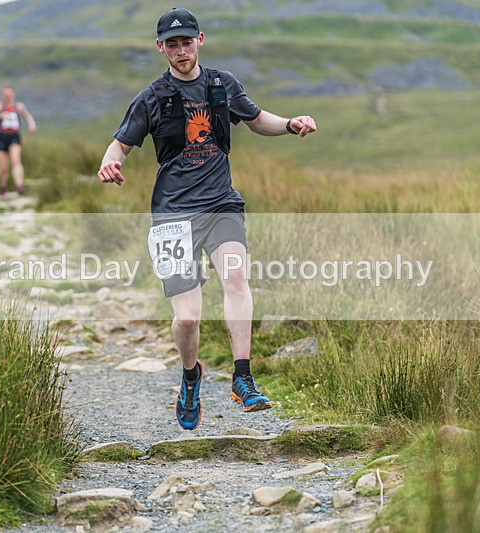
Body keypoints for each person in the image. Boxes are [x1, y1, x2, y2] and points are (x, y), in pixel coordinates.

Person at [97, 7, 316, 431]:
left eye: (187, 41)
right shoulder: (152, 97)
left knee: (236, 280)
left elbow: (257, 121)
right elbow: (120, 145)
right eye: (172, 44)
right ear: (161, 48)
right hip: (173, 216)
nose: (181, 51)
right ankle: (191, 376)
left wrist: (290, 124)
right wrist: (110, 164)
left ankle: (243, 377)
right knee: (188, 318)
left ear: (201, 40)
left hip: (221, 206)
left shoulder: (222, 84)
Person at [0, 86, 37, 196]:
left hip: (14, 136)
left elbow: (28, 117)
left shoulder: (19, 106)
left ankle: (19, 186)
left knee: (16, 160)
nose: (8, 97)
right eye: (5, 95)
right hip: (2, 137)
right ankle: (2, 187)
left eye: (9, 95)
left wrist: (32, 125)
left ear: (13, 95)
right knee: (3, 167)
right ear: (2, 96)